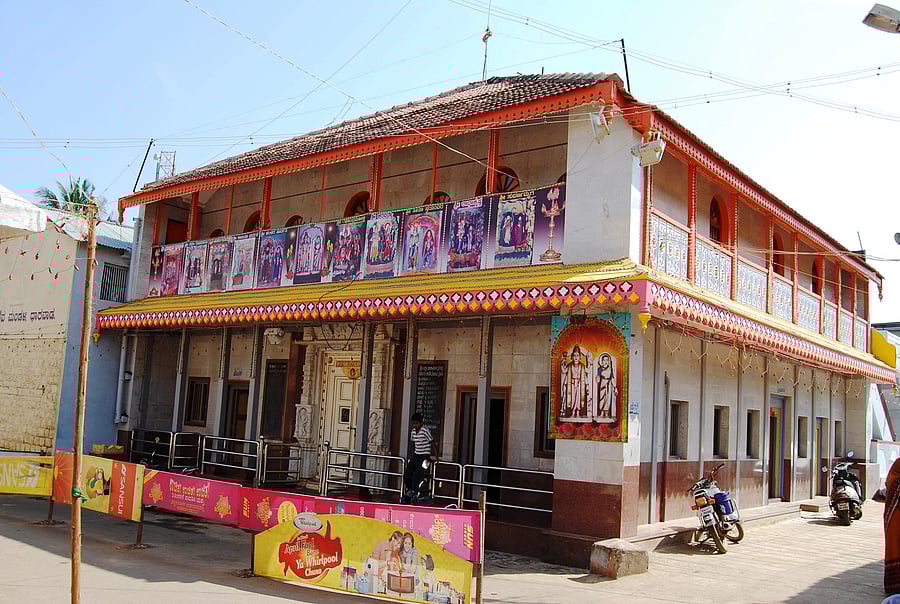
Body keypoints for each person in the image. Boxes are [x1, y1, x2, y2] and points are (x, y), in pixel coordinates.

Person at [402, 413, 437, 503]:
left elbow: (432, 442)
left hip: (424, 455)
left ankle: (414, 491)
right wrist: (412, 454)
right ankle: (409, 489)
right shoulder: (413, 432)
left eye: (416, 423)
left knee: (417, 474)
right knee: (408, 473)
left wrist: (436, 457)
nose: (415, 425)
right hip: (416, 454)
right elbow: (413, 443)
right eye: (413, 423)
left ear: (421, 423)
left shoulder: (425, 430)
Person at [885, 457, 900, 595]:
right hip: (896, 516)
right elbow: (892, 483)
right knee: (895, 547)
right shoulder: (898, 466)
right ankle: (894, 585)